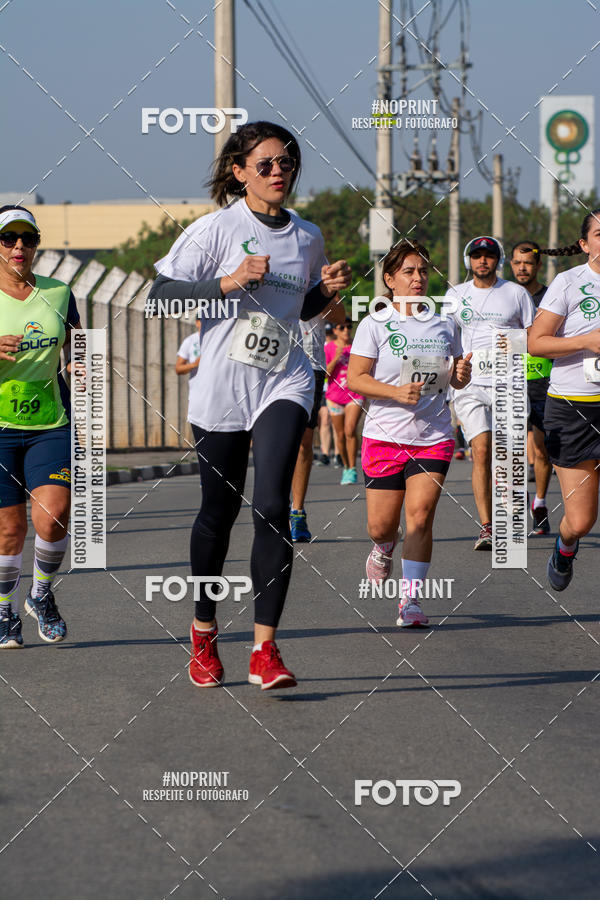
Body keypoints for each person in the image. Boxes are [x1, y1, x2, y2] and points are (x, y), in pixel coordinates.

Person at [150, 121, 351, 689]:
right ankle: (203, 632)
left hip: (282, 381)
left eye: (286, 162)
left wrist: (325, 293)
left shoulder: (307, 236)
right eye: (264, 164)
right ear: (239, 172)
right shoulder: (214, 230)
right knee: (218, 513)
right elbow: (158, 298)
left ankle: (266, 649)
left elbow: (299, 308)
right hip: (220, 389)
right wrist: (227, 282)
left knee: (270, 506)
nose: (278, 171)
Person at [347, 241, 471, 626]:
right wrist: (395, 392)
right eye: (408, 272)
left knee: (420, 517)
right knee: (381, 525)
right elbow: (355, 378)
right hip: (384, 436)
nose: (418, 279)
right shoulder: (375, 323)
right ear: (390, 280)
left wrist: (462, 377)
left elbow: (457, 374)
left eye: (422, 271)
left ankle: (411, 602)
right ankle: (383, 546)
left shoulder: (445, 321)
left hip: (433, 434)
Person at [0, 205, 80, 648]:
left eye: (26, 239)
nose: (18, 247)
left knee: (53, 516)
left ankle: (41, 594)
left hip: (51, 421)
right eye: (8, 238)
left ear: (36, 243)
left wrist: (82, 365)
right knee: (10, 530)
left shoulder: (59, 292)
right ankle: (4, 610)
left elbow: (78, 344)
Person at [446, 236, 535, 550]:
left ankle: (512, 504)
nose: (482, 261)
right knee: (481, 450)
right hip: (470, 385)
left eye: (489, 256)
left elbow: (534, 336)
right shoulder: (455, 294)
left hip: (508, 383)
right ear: (468, 260)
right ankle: (487, 527)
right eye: (477, 255)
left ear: (498, 260)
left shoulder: (516, 293)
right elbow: (444, 336)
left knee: (509, 457)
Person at [528, 209, 600, 590]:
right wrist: (587, 340)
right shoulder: (569, 282)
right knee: (582, 520)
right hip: (574, 406)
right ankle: (566, 545)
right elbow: (536, 343)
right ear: (586, 244)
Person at [289, 301, 345, 542]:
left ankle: (297, 512)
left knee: (304, 440)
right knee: (274, 439)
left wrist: (326, 290)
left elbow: (340, 315)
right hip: (270, 361)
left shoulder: (319, 272)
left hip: (310, 364)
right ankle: (271, 506)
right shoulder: (263, 264)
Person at [510, 241, 551, 534]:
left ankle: (539, 502)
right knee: (511, 449)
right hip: (508, 379)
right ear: (510, 265)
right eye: (517, 262)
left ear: (537, 265)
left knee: (541, 449)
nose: (522, 268)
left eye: (527, 263)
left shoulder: (550, 297)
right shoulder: (504, 296)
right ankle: (518, 502)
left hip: (542, 378)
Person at [325, 317, 364, 484]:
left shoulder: (358, 345)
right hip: (334, 396)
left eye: (349, 327)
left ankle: (353, 467)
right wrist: (336, 358)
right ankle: (346, 467)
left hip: (354, 394)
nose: (346, 330)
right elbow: (325, 375)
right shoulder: (329, 348)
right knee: (340, 435)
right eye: (342, 327)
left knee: (350, 430)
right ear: (335, 331)